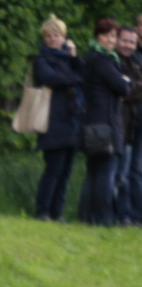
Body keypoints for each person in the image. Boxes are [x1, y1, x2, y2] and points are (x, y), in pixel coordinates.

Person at [78, 18, 131, 226]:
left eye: (113, 36)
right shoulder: (102, 61)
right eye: (106, 36)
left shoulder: (92, 58)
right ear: (97, 37)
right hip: (105, 125)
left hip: (94, 123)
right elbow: (122, 87)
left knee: (94, 172)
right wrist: (125, 81)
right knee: (105, 173)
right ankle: (104, 217)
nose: (110, 40)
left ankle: (86, 216)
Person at [31, 14, 83, 222]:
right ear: (44, 38)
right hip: (52, 121)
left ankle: (57, 212)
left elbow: (84, 74)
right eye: (48, 36)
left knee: (66, 172)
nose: (53, 39)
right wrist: (75, 79)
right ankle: (43, 211)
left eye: (56, 35)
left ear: (64, 37)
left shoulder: (70, 60)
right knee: (53, 169)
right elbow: (51, 78)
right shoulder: (41, 60)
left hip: (73, 121)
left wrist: (74, 56)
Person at [114, 26, 142, 224]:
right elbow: (125, 90)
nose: (128, 45)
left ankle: (134, 215)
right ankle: (122, 214)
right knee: (122, 172)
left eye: (132, 42)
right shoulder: (116, 61)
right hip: (123, 122)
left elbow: (131, 87)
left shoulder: (134, 61)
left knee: (136, 171)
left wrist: (133, 86)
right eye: (125, 41)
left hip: (134, 122)